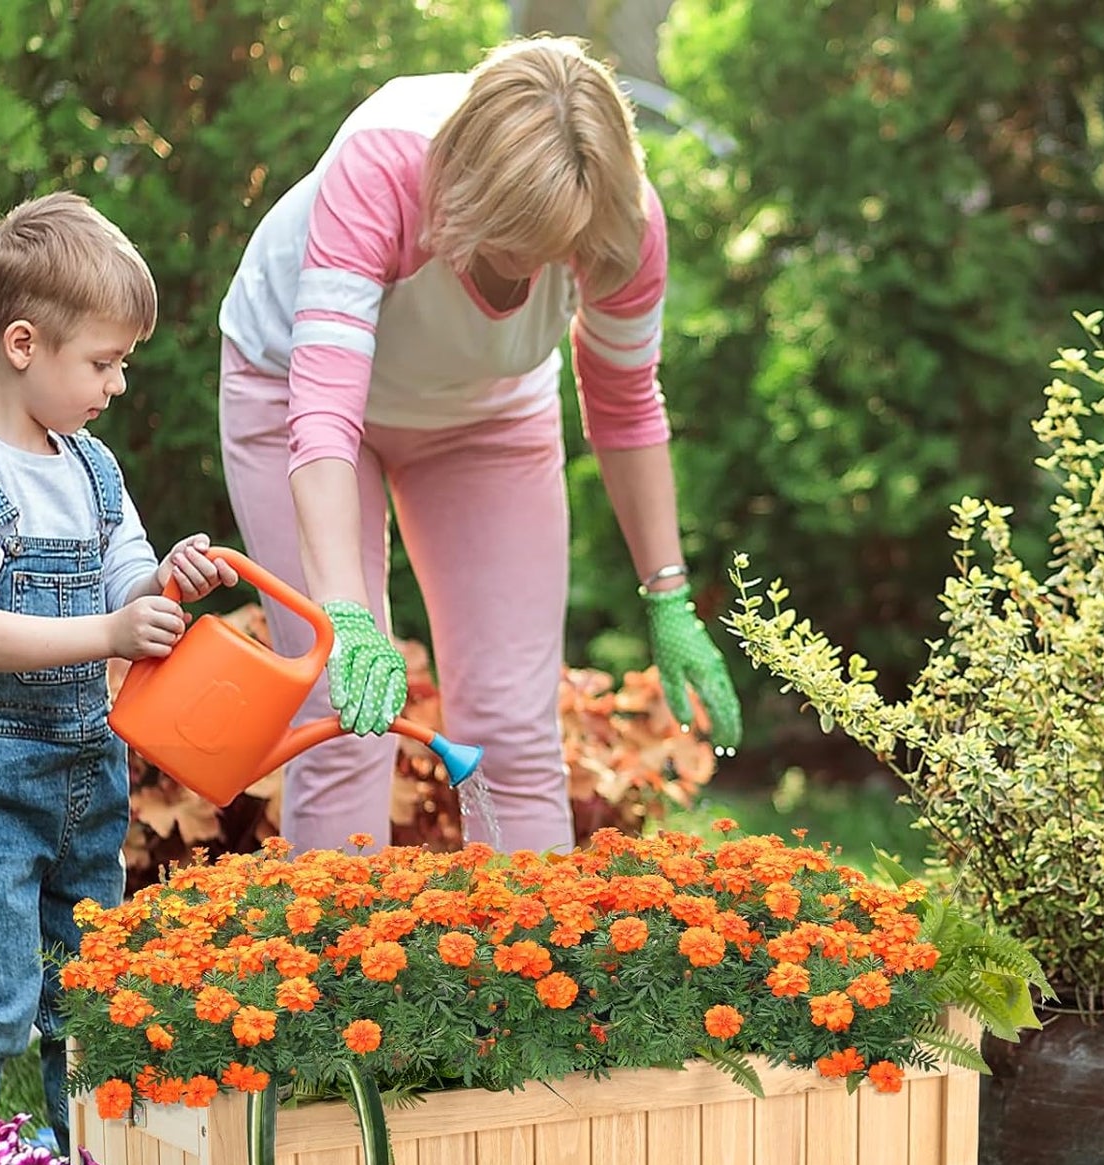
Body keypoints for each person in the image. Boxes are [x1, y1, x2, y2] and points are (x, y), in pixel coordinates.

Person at [218, 35, 740, 856]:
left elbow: (624, 402)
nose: (532, 268)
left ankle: (530, 975)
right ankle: (336, 978)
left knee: (511, 733)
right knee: (343, 715)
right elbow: (324, 408)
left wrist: (667, 596)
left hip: (485, 417)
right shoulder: (385, 163)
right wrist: (346, 615)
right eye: (514, 240)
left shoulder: (623, 221)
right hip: (295, 392)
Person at [0, 192, 237, 1165]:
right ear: (24, 343)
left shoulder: (89, 465)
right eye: (104, 361)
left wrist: (167, 581)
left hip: (87, 776)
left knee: (89, 992)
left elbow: (126, 570)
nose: (117, 384)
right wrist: (111, 630)